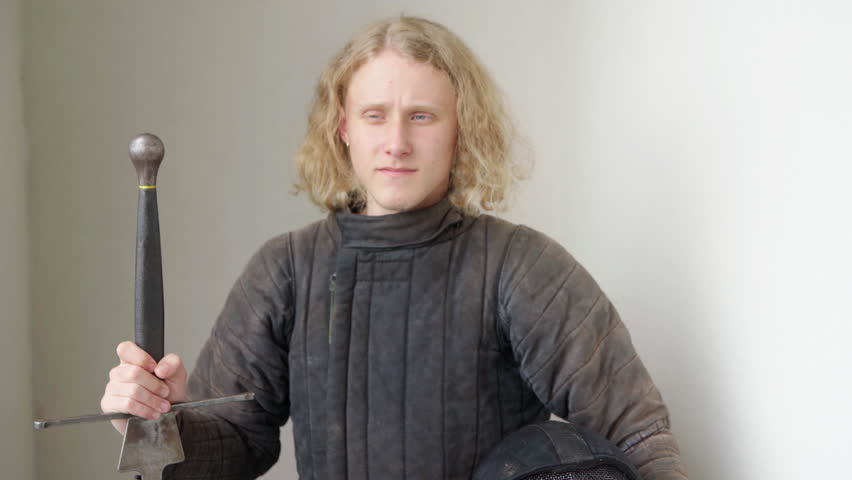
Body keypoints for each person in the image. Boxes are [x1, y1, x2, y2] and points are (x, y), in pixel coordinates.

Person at [100, 15, 688, 480]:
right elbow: (230, 447)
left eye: (422, 116)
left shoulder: (520, 266)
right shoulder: (285, 271)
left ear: (461, 128)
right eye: (375, 116)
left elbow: (637, 433)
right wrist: (155, 423)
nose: (397, 142)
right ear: (344, 128)